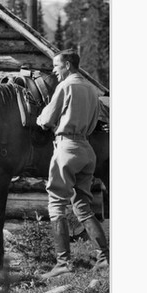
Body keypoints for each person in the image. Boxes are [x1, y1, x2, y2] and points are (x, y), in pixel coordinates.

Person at [36, 50, 109, 275]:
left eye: (56, 66)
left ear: (67, 65)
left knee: (56, 203)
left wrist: (40, 119)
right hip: (87, 150)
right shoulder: (92, 90)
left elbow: (47, 119)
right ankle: (105, 258)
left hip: (66, 147)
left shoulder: (65, 86)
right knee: (83, 207)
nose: (54, 71)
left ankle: (63, 264)